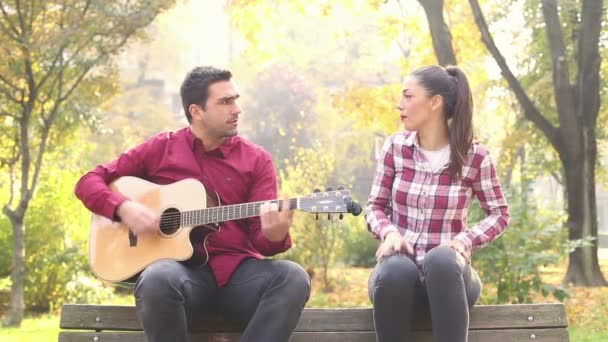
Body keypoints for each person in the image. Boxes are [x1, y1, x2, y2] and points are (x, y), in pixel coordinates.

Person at [75, 66, 311, 342]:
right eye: (225, 102)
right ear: (196, 111)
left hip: (239, 279)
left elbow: (262, 242)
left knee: (292, 277)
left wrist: (275, 234)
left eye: (235, 99)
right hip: (184, 280)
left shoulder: (257, 160)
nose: (237, 109)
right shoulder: (161, 148)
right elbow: (89, 182)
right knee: (157, 278)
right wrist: (123, 208)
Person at [365, 65, 510, 342]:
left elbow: (499, 214)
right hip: (396, 283)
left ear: (435, 102)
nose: (400, 104)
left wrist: (463, 242)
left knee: (442, 258)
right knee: (396, 266)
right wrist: (390, 233)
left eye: (408, 96)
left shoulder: (475, 156)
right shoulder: (395, 148)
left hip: (450, 283)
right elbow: (374, 206)